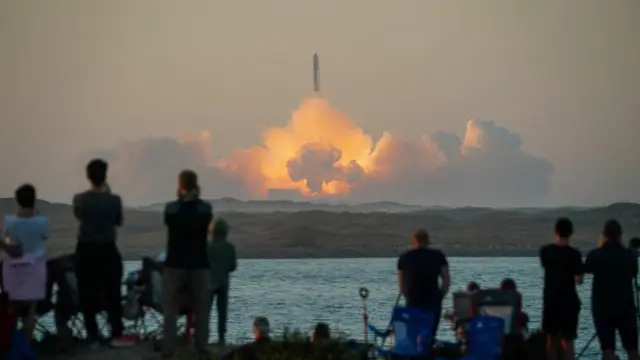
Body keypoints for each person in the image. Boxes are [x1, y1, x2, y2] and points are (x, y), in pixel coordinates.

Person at [73, 159, 134, 348]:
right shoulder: (114, 200)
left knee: (86, 293)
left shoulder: (80, 199)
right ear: (106, 176)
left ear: (88, 176)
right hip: (107, 248)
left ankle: (93, 336)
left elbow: (78, 216)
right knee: (113, 292)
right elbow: (119, 221)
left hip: (85, 249)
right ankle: (116, 332)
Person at [162, 170, 213, 358]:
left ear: (180, 185)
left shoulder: (171, 209)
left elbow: (169, 220)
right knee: (202, 308)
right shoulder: (205, 209)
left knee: (170, 309)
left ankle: (169, 348)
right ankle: (201, 346)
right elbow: (206, 220)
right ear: (197, 185)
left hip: (174, 264)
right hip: (199, 264)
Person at [584, 220, 639, 360]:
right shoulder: (629, 255)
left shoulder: (596, 255)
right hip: (626, 306)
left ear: (604, 235)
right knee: (632, 349)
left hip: (602, 308)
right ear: (620, 235)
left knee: (607, 350)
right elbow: (634, 272)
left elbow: (583, 270)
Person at [0, 184, 49, 342]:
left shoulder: (10, 221)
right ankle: (28, 344)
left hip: (13, 268)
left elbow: (6, 238)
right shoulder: (42, 221)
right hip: (35, 267)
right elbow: (44, 236)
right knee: (31, 311)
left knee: (12, 309)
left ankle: (12, 344)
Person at [539, 217, 584, 360]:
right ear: (571, 233)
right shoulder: (575, 254)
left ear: (555, 231)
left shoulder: (546, 251)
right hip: (569, 302)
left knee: (551, 341)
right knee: (568, 342)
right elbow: (579, 280)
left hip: (551, 302)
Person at [397, 228, 450, 340]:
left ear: (413, 241)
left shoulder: (404, 257)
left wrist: (407, 297)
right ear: (428, 241)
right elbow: (446, 280)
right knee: (429, 334)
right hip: (432, 300)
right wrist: (441, 296)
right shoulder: (438, 256)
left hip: (413, 301)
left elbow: (401, 283)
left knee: (413, 335)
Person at [207, 218, 237, 345]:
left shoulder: (207, 247)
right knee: (222, 311)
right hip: (223, 283)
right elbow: (233, 266)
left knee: (205, 312)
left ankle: (204, 337)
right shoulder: (230, 248)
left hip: (208, 283)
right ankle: (221, 338)